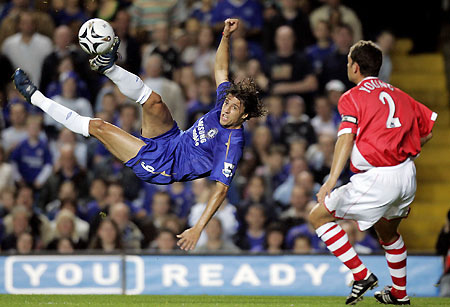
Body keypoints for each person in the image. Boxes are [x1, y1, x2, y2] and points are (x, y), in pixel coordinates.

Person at [13, 18, 265, 251]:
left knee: (99, 126)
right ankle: (108, 67)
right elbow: (221, 71)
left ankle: (35, 98)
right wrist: (225, 36)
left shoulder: (232, 142)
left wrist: (198, 228)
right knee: (153, 100)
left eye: (233, 108)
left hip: (163, 165)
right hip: (172, 139)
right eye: (227, 102)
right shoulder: (224, 102)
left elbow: (220, 190)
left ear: (244, 116)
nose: (225, 109)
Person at [309, 40, 437, 305]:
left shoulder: (352, 97)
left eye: (348, 62)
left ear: (355, 67)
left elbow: (345, 138)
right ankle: (399, 295)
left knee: (318, 217)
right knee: (388, 235)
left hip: (378, 176)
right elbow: (428, 130)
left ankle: (361, 274)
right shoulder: (400, 94)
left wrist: (331, 181)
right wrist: (405, 148)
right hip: (405, 174)